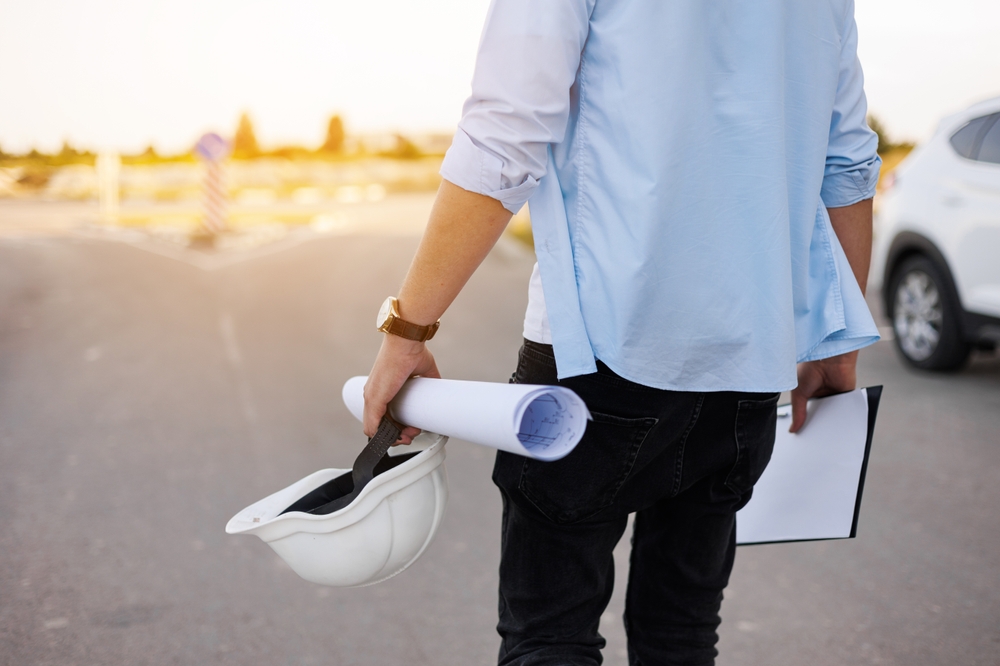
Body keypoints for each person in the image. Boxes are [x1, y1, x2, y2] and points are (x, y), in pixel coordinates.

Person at [362, 1, 881, 664]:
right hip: (750, 363)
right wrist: (836, 345)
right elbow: (846, 158)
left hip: (599, 358)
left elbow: (503, 137)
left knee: (550, 636)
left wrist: (407, 330)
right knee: (681, 632)